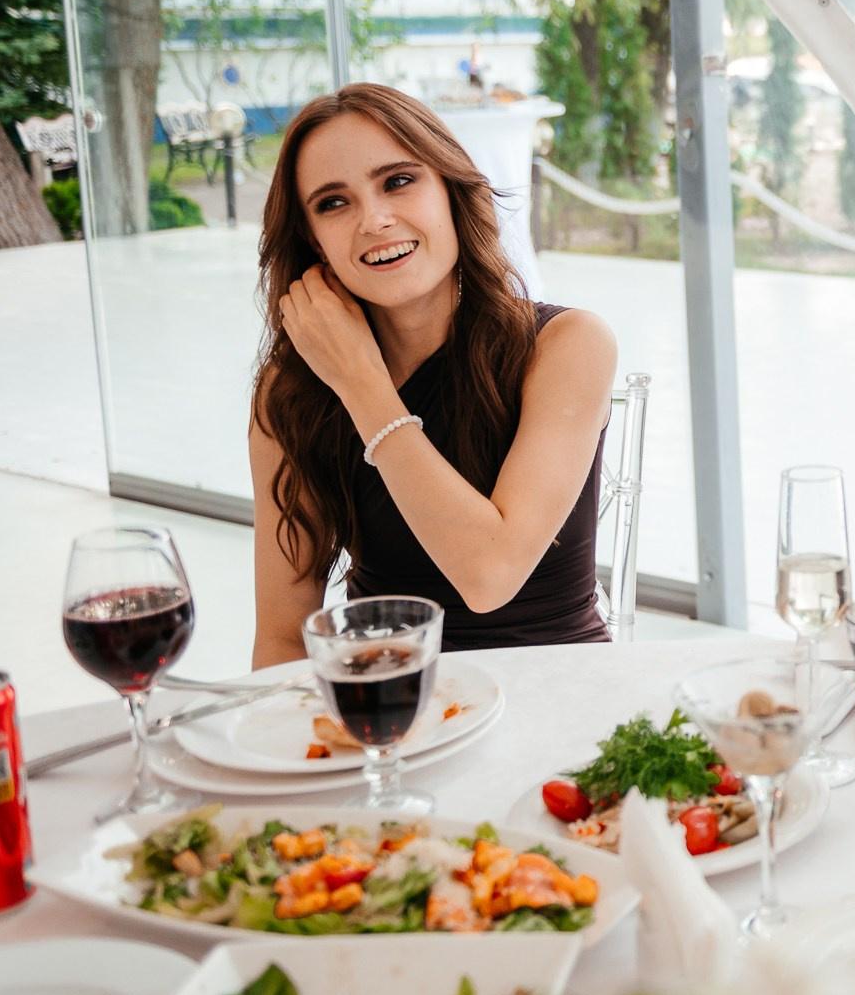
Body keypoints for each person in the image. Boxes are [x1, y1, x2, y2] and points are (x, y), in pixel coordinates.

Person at [248, 83, 620, 665]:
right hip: (389, 697)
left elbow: (489, 576)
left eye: (398, 181)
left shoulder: (568, 344)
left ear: (451, 190)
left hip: (557, 689)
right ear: (313, 243)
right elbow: (282, 636)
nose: (374, 220)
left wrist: (360, 382)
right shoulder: (293, 390)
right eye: (333, 203)